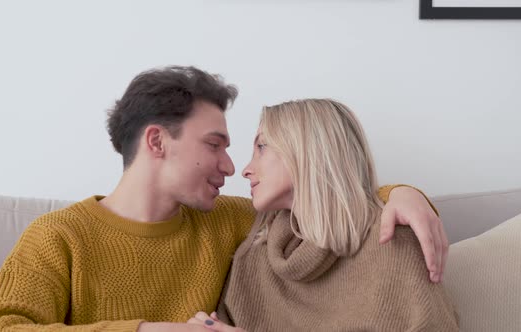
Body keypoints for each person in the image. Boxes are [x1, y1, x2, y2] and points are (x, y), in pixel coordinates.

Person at [0, 67, 448, 331]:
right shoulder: (58, 237)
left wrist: (402, 194)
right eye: (214, 144)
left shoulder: (235, 222)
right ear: (157, 143)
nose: (230, 165)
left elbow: (325, 196)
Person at [189, 99, 458, 331]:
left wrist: (403, 194)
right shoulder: (255, 247)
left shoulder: (391, 235)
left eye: (261, 147)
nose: (245, 169)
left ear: (306, 150)